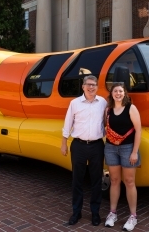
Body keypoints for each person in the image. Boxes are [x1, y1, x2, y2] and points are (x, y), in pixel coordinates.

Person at [61, 75, 107, 226]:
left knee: (96, 181)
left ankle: (95, 212)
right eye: (88, 84)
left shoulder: (103, 103)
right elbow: (68, 123)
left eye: (93, 85)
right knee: (77, 180)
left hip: (97, 146)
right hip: (78, 145)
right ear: (83, 87)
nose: (91, 87)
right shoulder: (74, 103)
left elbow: (107, 123)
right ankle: (76, 212)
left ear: (97, 87)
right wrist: (64, 143)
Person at [104, 82, 141, 231]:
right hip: (111, 148)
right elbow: (104, 127)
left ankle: (133, 216)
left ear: (124, 93)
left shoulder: (131, 108)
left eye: (120, 91)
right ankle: (113, 213)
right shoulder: (108, 110)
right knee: (114, 180)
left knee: (129, 181)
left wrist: (134, 152)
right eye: (115, 91)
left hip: (127, 148)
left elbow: (138, 130)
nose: (118, 93)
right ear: (112, 94)